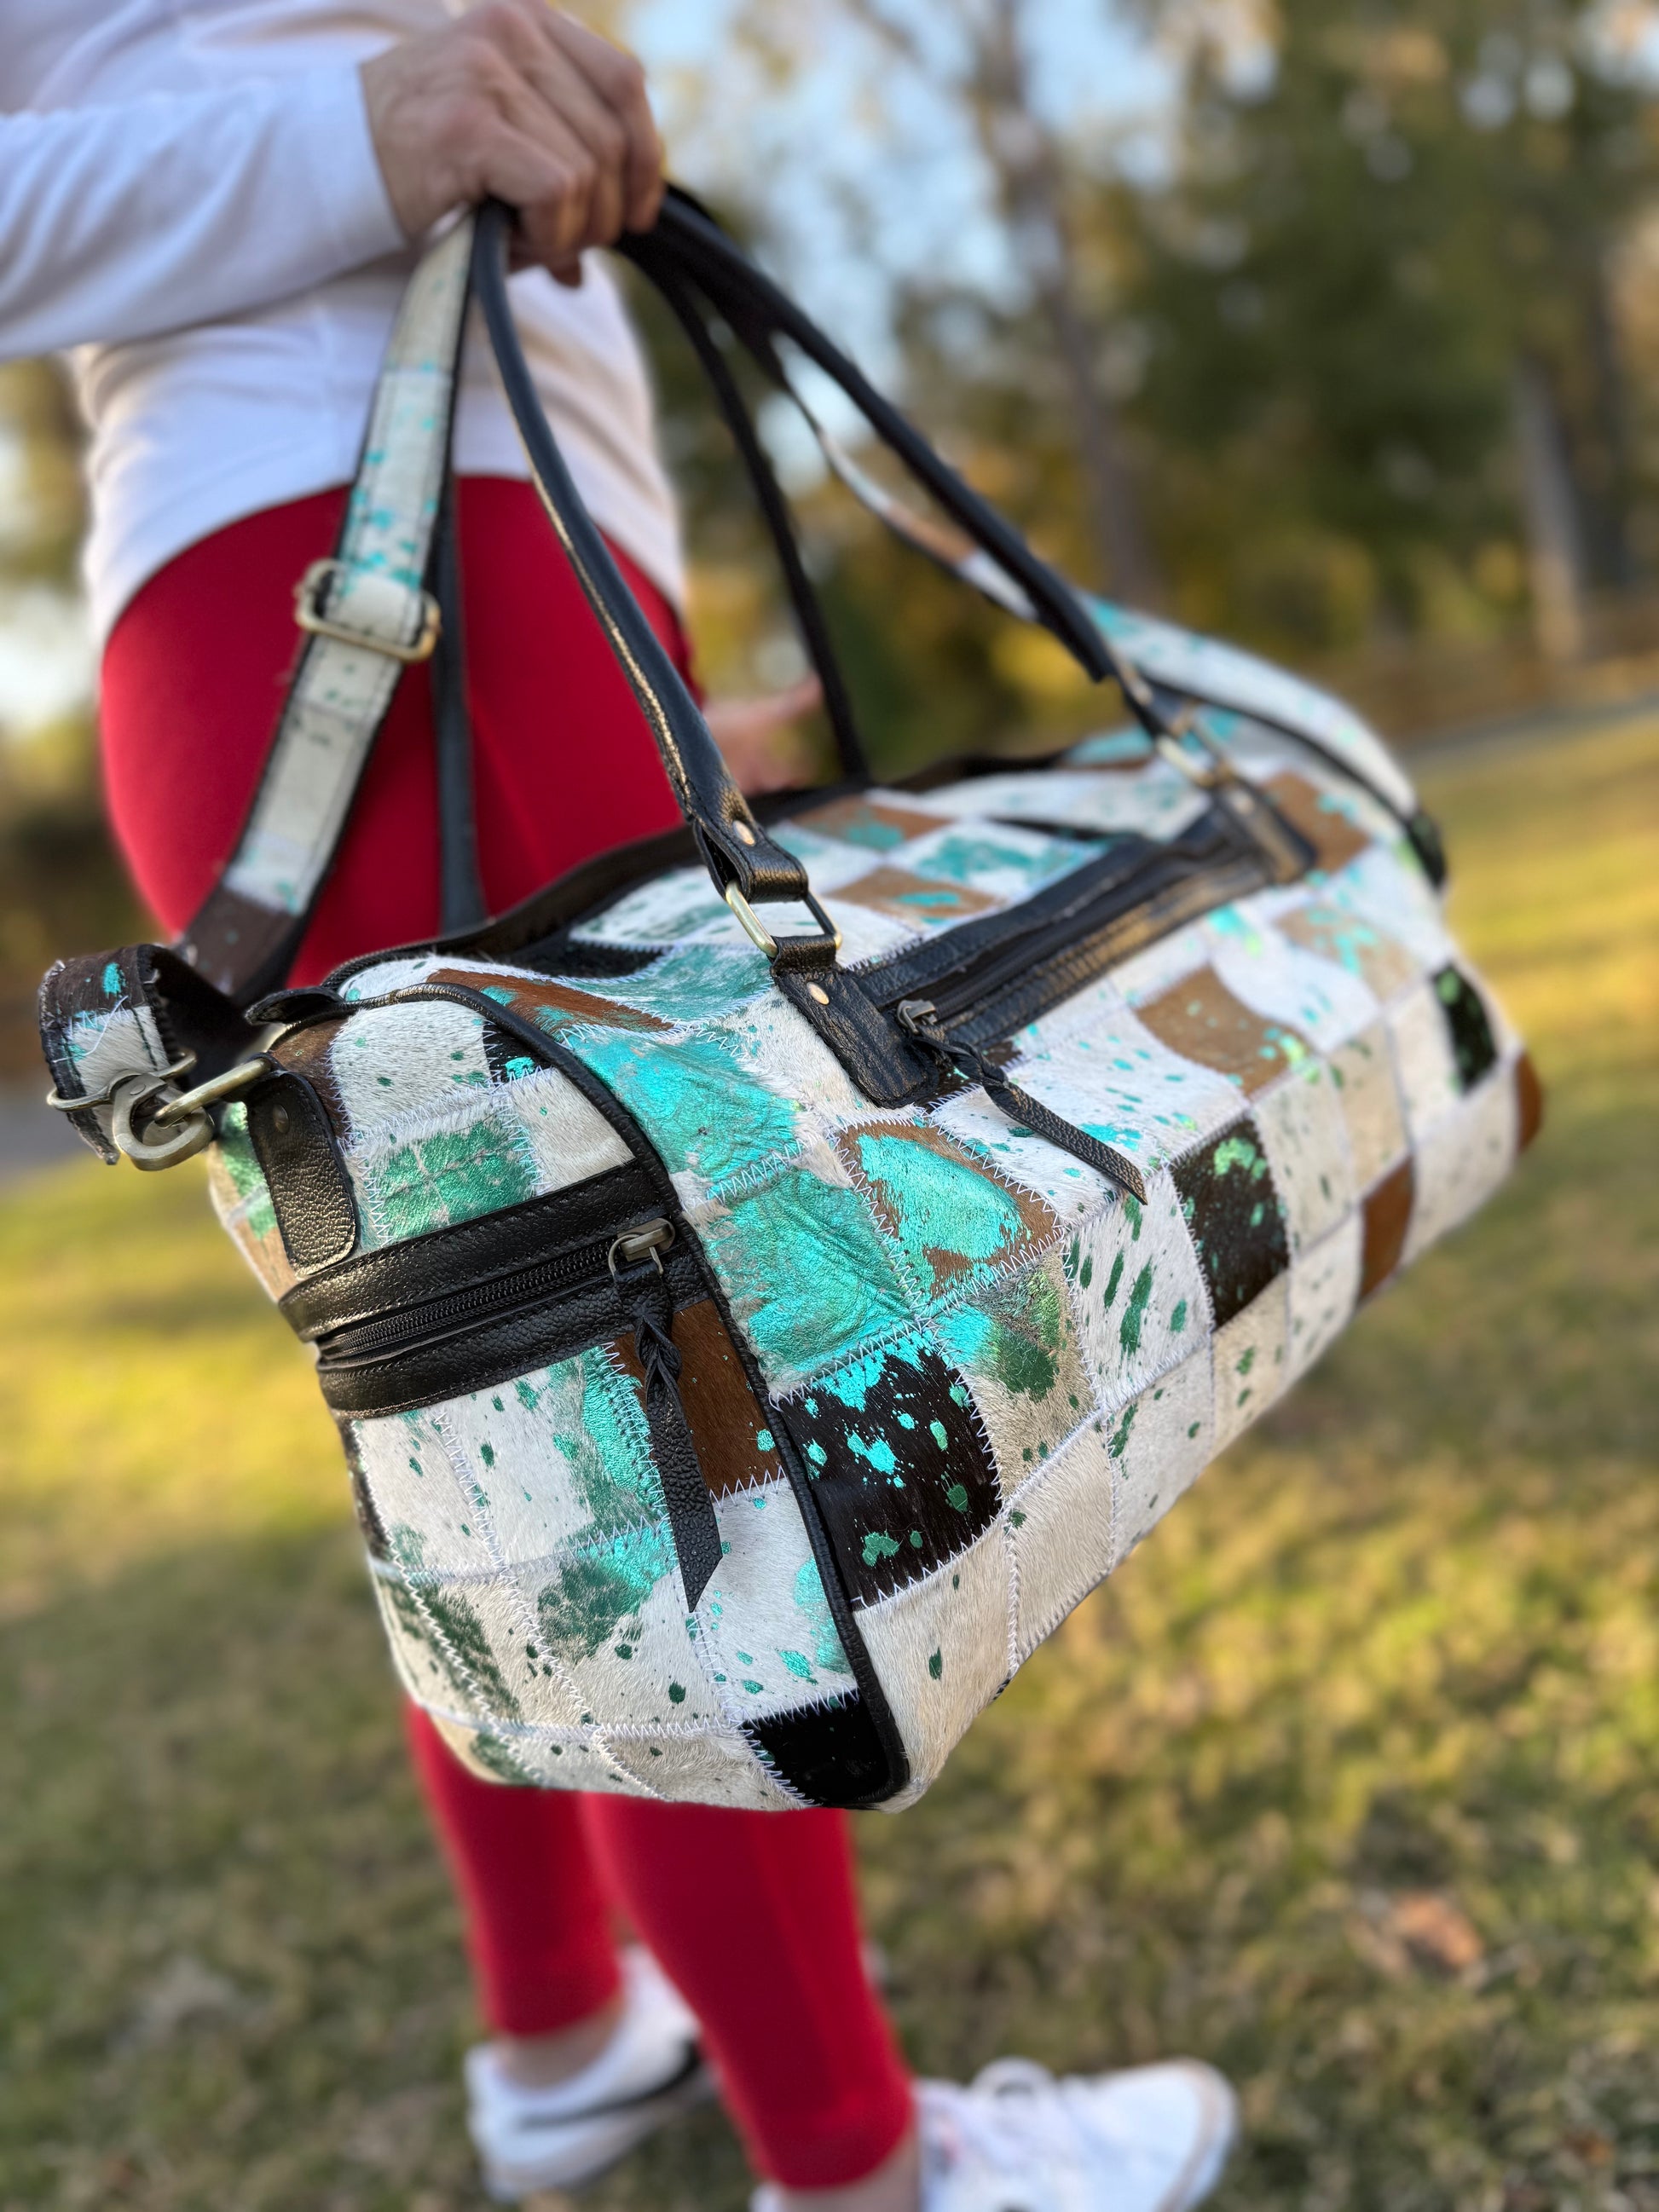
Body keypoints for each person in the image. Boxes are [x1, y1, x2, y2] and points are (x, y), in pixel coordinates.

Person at [2, 6, 1239, 2207]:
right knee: (652, 1379)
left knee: (484, 1397)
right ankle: (856, 2167)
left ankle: (561, 2031)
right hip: (369, 558)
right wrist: (360, 136)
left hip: (437, 553)